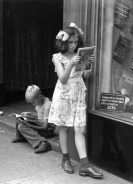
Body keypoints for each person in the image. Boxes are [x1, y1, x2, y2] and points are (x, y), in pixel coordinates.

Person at [48, 23, 103, 178]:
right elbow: (63, 79)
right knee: (64, 128)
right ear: (63, 42)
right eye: (70, 42)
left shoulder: (79, 55)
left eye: (76, 42)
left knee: (80, 130)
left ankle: (85, 166)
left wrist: (88, 63)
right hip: (64, 95)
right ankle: (65, 159)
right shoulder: (57, 57)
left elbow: (85, 76)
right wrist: (71, 63)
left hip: (78, 94)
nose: (73, 45)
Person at [11, 85, 55, 153]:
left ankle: (43, 143)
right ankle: (20, 137)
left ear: (40, 97)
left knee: (22, 127)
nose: (33, 104)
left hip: (47, 130)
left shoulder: (47, 105)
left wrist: (29, 125)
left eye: (33, 102)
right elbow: (40, 115)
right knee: (19, 119)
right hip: (41, 123)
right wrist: (28, 114)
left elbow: (45, 127)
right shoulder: (40, 102)